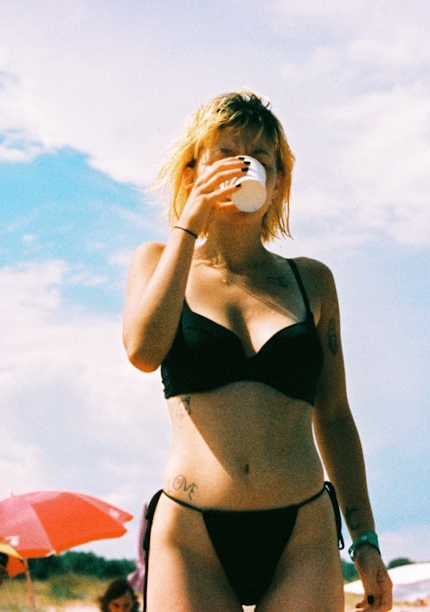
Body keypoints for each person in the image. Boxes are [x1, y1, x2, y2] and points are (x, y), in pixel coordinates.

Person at [123, 90, 392, 611]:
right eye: (225, 153)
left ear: (277, 183)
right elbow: (143, 350)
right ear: (191, 171)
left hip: (302, 533)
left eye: (259, 158)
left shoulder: (311, 282)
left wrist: (365, 541)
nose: (241, 166)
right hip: (192, 533)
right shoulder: (157, 260)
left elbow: (334, 416)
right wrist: (188, 227)